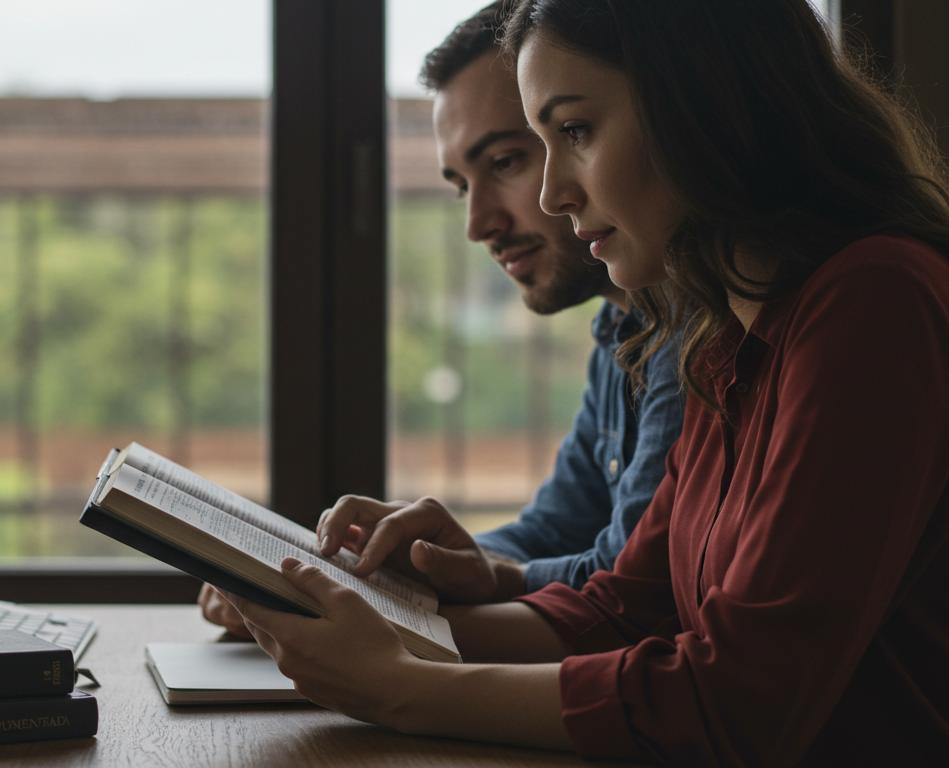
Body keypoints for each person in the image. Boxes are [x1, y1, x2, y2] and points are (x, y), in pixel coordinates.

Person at [219, 0, 949, 764]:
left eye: (575, 131)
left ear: (704, 101)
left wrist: (399, 685)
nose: (551, 194)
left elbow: (740, 699)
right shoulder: (720, 337)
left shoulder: (875, 297)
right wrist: (346, 615)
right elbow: (628, 610)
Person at [199, 3, 686, 636]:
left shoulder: (702, 331)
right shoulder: (625, 331)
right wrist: (381, 573)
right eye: (461, 184)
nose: (478, 223)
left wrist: (389, 611)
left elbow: (627, 591)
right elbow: (555, 530)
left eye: (507, 161)